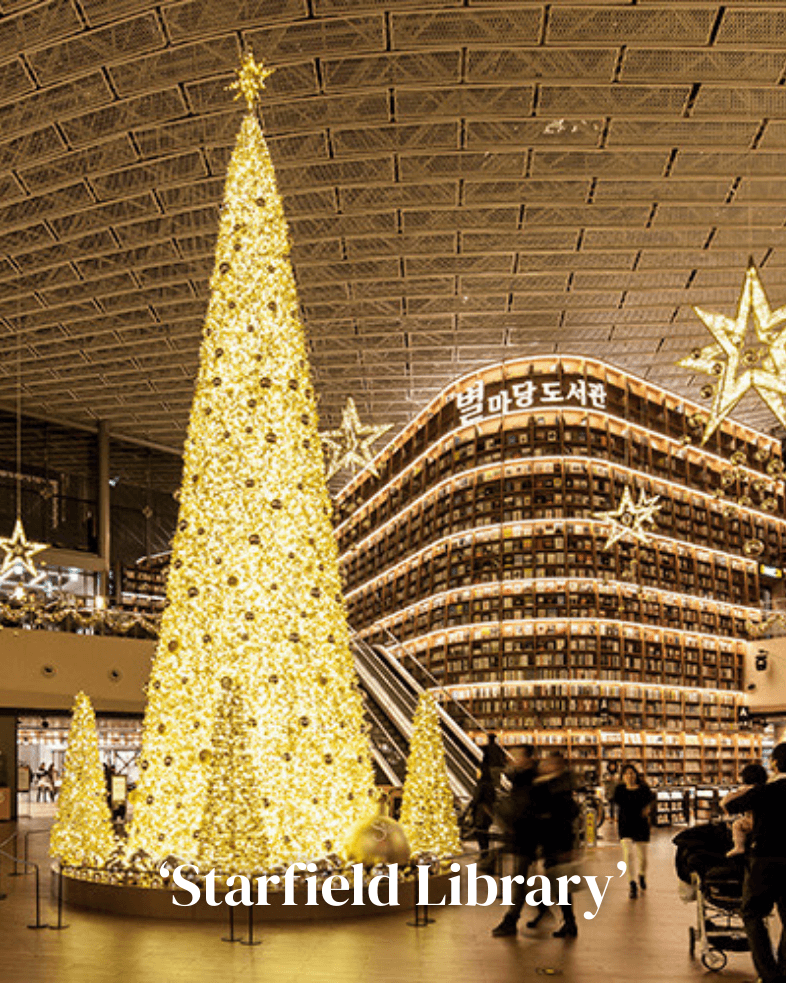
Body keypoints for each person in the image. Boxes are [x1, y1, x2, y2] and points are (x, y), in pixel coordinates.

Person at [724, 742, 785, 983]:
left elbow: (730, 806)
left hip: (765, 859)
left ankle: (769, 974)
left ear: (775, 763)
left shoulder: (765, 790)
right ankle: (783, 967)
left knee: (752, 912)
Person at [491, 744, 541, 937]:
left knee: (520, 879)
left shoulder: (533, 780)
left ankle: (511, 919)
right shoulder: (519, 778)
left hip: (530, 835)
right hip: (521, 835)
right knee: (521, 879)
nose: (513, 761)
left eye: (517, 757)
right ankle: (542, 908)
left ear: (528, 759)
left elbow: (529, 806)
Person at [536, 751, 581, 938]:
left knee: (559, 884)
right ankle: (562, 918)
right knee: (556, 883)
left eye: (550, 763)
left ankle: (568, 922)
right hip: (552, 841)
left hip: (559, 842)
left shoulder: (559, 786)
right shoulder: (554, 784)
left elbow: (567, 813)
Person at [613, 764, 655, 898]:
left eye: (632, 773)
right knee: (628, 854)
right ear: (623, 776)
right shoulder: (619, 790)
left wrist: (648, 809)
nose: (630, 776)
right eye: (626, 774)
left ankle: (641, 874)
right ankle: (632, 883)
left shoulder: (643, 789)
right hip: (625, 825)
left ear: (636, 775)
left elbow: (651, 801)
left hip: (641, 825)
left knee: (642, 857)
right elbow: (615, 804)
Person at [722, 762, 768, 858]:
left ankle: (739, 847)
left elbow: (725, 804)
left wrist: (735, 793)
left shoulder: (747, 790)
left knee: (736, 825)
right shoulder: (768, 788)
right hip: (766, 823)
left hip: (752, 820)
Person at [464, 763, 497, 873]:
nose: (476, 773)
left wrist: (468, 809)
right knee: (484, 834)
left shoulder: (481, 785)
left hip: (480, 814)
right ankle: (485, 855)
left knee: (481, 834)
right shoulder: (491, 785)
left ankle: (484, 856)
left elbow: (476, 799)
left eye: (478, 771)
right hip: (488, 813)